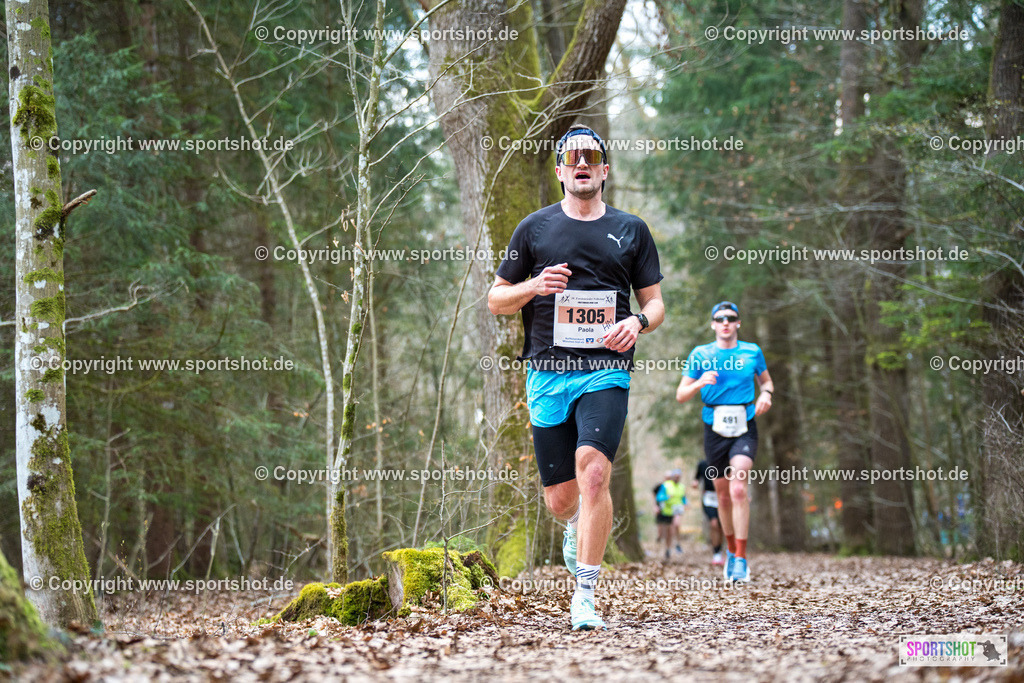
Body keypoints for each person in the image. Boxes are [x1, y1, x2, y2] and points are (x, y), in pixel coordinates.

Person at [488, 124, 665, 630]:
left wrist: (637, 321)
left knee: (594, 473)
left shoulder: (632, 230)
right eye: (572, 157)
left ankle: (584, 594)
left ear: (604, 170)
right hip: (548, 372)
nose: (581, 163)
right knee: (561, 497)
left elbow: (655, 303)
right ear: (562, 171)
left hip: (606, 370)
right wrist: (535, 285)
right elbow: (496, 299)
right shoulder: (535, 229)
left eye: (591, 157)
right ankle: (573, 526)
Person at [675, 302, 773, 583]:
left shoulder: (752, 351)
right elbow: (681, 394)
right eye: (720, 319)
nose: (726, 323)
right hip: (714, 428)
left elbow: (766, 383)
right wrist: (698, 383)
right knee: (723, 496)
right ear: (713, 324)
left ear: (738, 323)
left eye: (731, 318)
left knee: (739, 487)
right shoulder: (701, 354)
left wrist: (766, 395)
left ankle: (741, 558)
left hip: (745, 424)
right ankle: (731, 551)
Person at [692, 458, 724, 565]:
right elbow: (696, 478)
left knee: (721, 527)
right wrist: (695, 483)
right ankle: (716, 553)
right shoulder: (702, 464)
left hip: (722, 497)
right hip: (708, 498)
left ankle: (720, 550)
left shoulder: (724, 462)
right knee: (714, 524)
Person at [653, 469, 686, 560]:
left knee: (676, 525)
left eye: (678, 477)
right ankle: (667, 549)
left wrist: (686, 503)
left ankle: (678, 544)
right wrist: (667, 497)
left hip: (677, 510)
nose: (676, 478)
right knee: (668, 531)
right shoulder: (665, 485)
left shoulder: (682, 487)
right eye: (675, 476)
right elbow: (658, 497)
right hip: (667, 511)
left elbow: (683, 498)